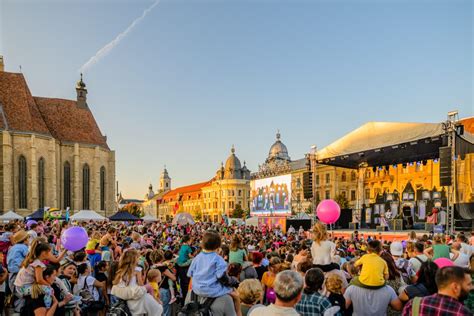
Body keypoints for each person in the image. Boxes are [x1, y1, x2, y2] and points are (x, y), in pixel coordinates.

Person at [187, 230, 241, 316]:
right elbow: (222, 277)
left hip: (196, 289)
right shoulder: (219, 259)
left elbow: (190, 274)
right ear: (218, 245)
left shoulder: (197, 258)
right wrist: (233, 282)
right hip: (213, 290)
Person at [402, 266, 472, 316]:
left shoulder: (414, 304)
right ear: (455, 287)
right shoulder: (463, 312)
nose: (472, 287)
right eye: (469, 284)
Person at [112, 248, 163, 315]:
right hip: (137, 298)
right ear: (134, 259)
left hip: (127, 300)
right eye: (137, 258)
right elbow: (141, 286)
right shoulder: (137, 271)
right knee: (157, 308)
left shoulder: (120, 272)